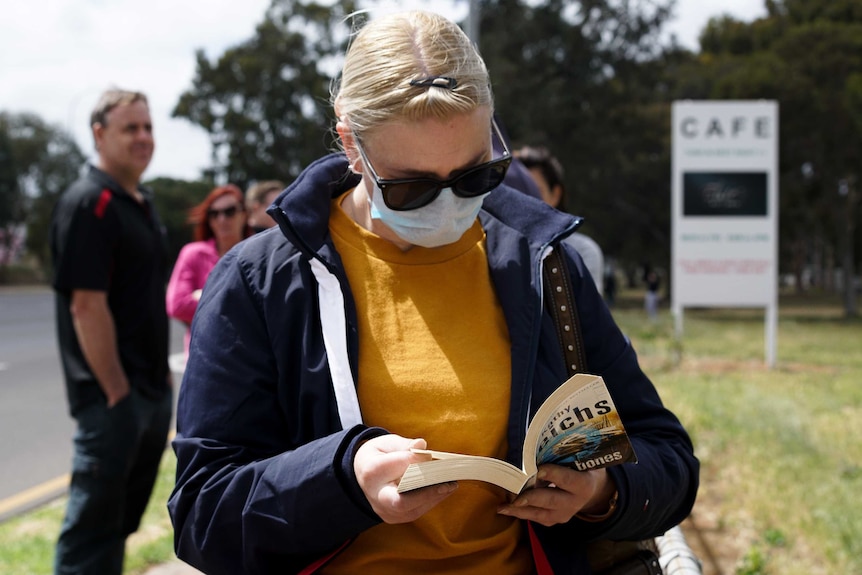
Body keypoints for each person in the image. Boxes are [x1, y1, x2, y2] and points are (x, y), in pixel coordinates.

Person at [169, 11, 698, 575]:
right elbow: (203, 514)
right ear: (351, 145)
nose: (448, 205)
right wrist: (341, 479)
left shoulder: (542, 264)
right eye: (411, 188)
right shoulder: (262, 282)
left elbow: (666, 459)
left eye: (475, 176)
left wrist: (600, 489)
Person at [49, 88, 173, 575]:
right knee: (90, 537)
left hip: (147, 393)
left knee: (117, 527)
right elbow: (86, 306)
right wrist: (118, 395)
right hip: (113, 402)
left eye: (147, 127)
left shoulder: (139, 202)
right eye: (130, 129)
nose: (143, 138)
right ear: (100, 134)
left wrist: (157, 383)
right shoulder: (90, 202)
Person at [166, 184, 251, 355]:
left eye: (229, 211)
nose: (222, 219)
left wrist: (203, 296)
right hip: (205, 359)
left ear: (244, 214)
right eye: (214, 214)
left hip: (253, 360)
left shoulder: (260, 254)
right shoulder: (193, 253)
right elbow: (177, 305)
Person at [516, 144, 605, 295]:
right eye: (516, 191)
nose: (524, 201)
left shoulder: (582, 252)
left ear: (556, 194)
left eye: (534, 190)